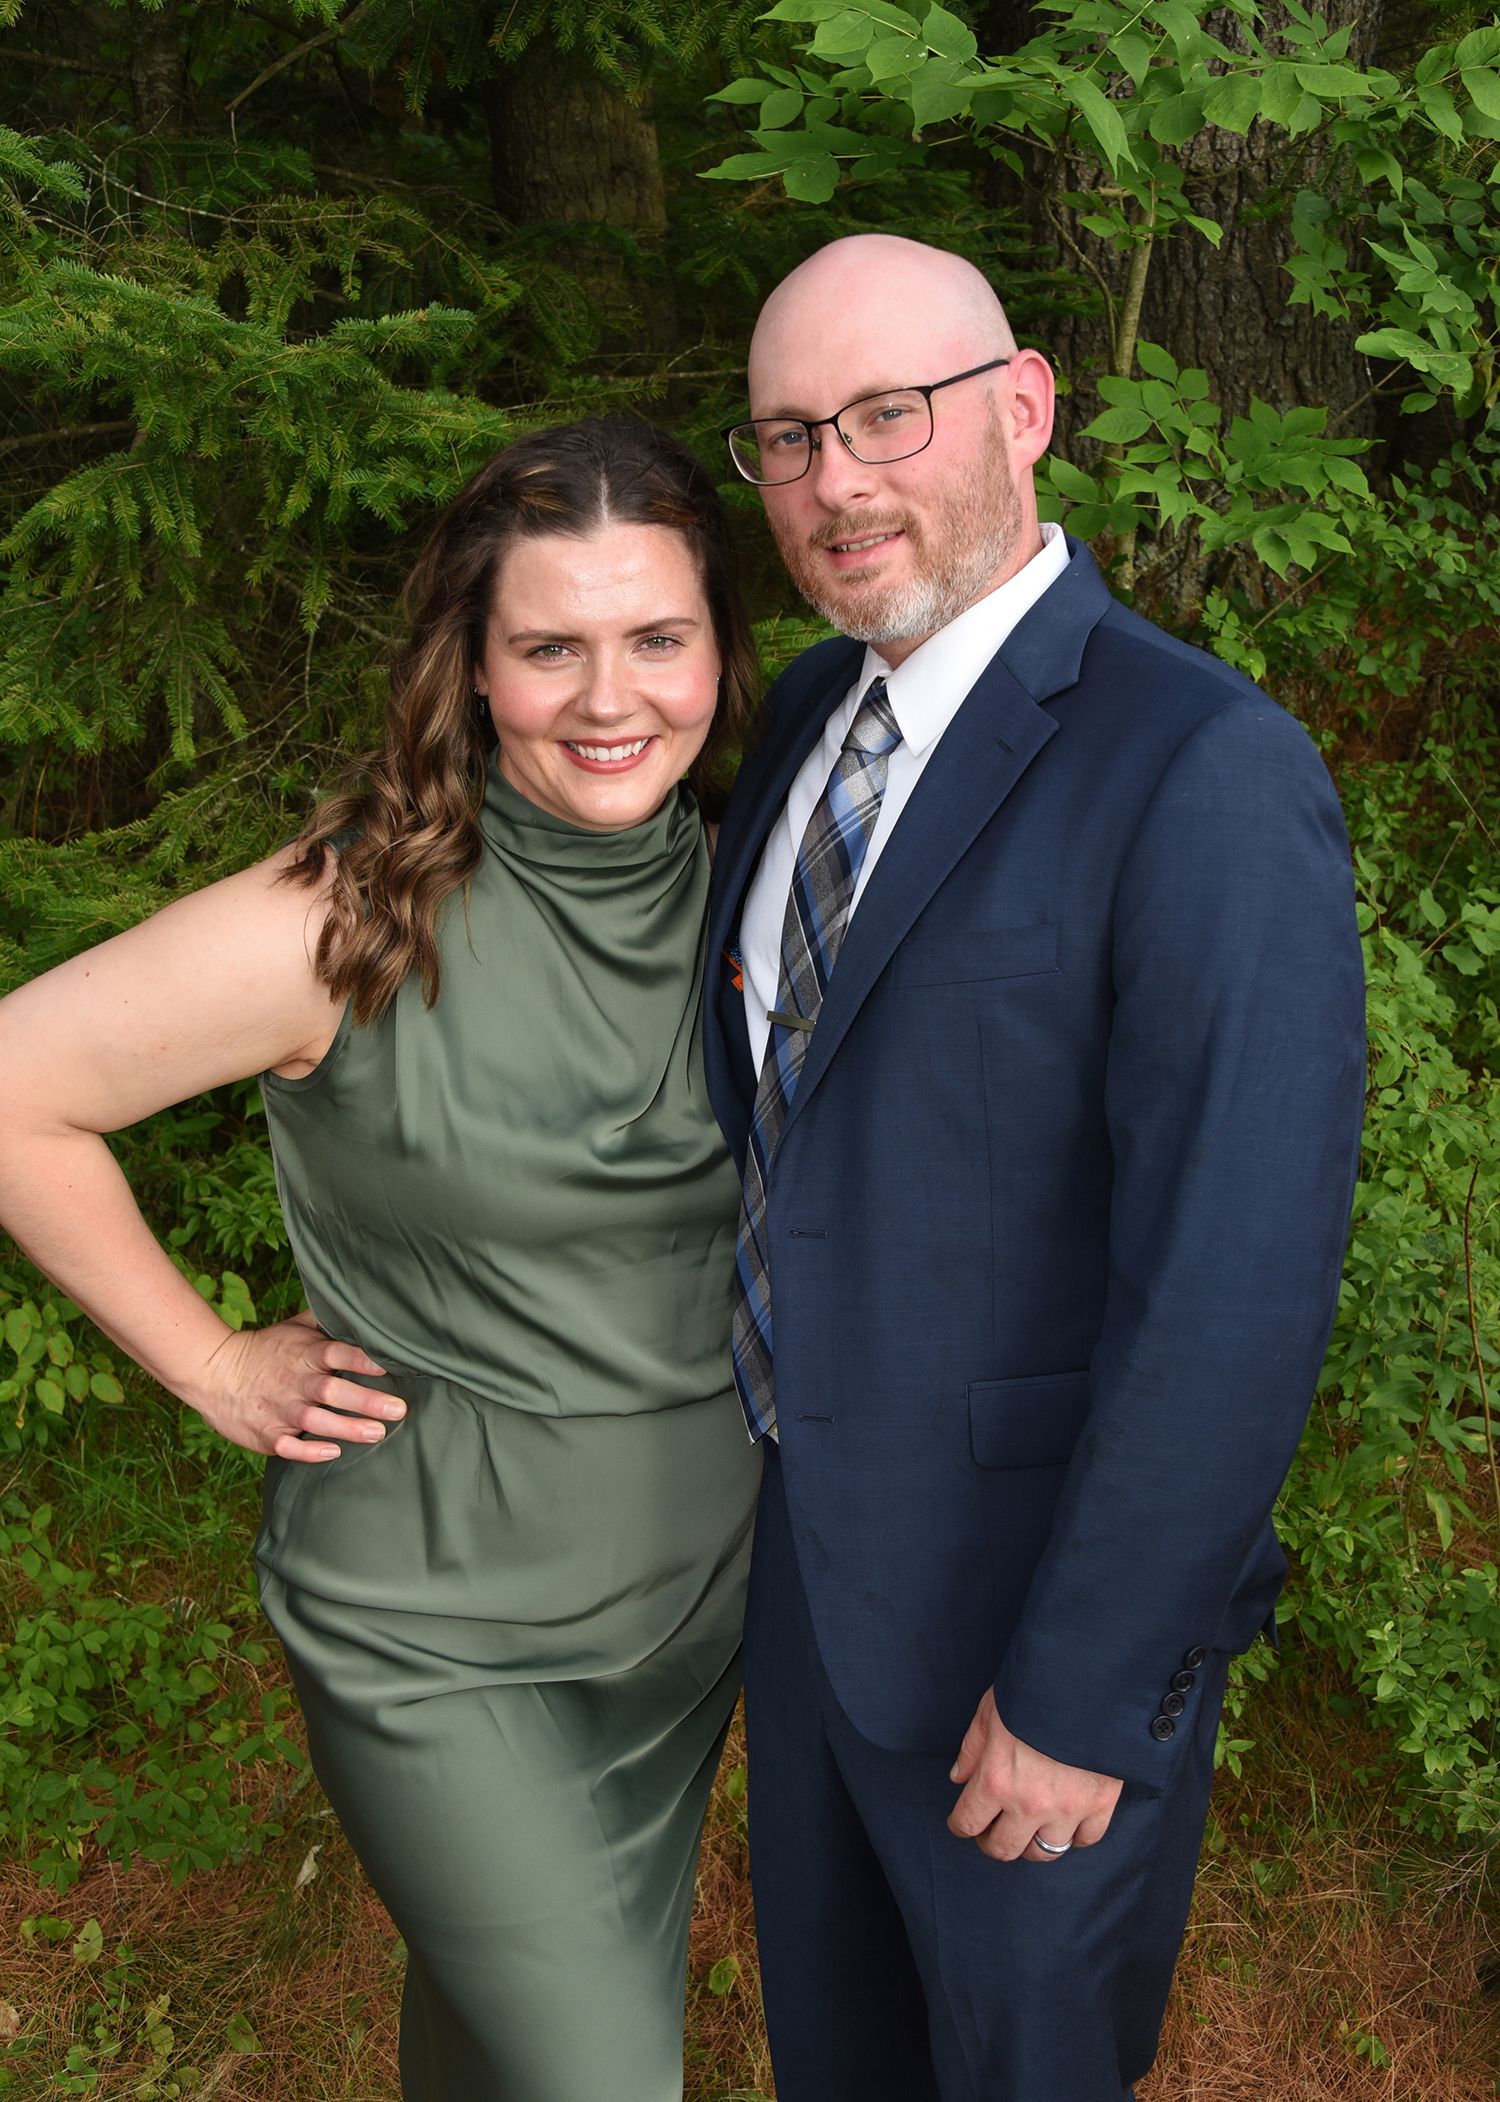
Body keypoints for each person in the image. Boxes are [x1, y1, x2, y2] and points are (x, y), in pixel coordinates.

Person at [0, 416, 763, 2101]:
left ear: (720, 647)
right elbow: (14, 1091)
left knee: (497, 2059)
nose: (608, 694)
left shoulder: (756, 899)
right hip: (438, 1632)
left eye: (657, 637)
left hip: (682, 1627)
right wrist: (208, 1361)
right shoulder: (350, 919)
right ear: (472, 671)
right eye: (548, 647)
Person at [703, 234, 1366, 2102]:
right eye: (789, 437)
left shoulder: (1201, 765)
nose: (839, 479)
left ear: (1024, 407)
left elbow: (1233, 1283)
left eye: (887, 416)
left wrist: (1086, 1689)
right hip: (816, 1607)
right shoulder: (792, 737)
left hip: (1036, 1658)